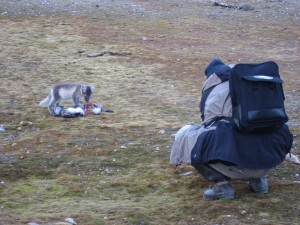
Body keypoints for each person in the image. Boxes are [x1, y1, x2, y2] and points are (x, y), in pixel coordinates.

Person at [170, 58, 293, 200]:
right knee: (262, 129)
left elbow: (208, 122)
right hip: (270, 159)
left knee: (190, 136)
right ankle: (259, 181)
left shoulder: (213, 89)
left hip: (235, 162)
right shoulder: (255, 84)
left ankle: (222, 186)